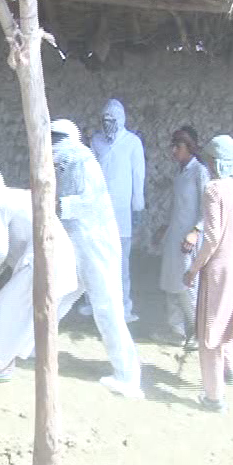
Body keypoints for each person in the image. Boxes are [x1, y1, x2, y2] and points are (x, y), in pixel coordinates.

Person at [51, 119, 143, 398]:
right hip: (79, 242)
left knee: (107, 309)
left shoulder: (81, 161)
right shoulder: (68, 162)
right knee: (57, 297)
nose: (52, 144)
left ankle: (127, 377)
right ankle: (31, 344)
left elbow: (88, 203)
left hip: (96, 243)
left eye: (55, 138)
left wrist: (56, 205)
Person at [0, 162, 80, 381]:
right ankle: (18, 357)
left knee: (3, 305)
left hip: (43, 260)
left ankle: (2, 366)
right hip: (60, 257)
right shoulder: (16, 195)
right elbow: (11, 246)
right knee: (30, 310)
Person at [183, 135, 233, 412]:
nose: (207, 164)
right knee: (228, 323)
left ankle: (213, 397)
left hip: (219, 270)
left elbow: (212, 237)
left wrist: (194, 268)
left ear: (216, 162)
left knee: (210, 334)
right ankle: (230, 371)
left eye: (209, 160)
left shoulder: (213, 190)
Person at [153, 125, 209, 349]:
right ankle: (176, 332)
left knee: (187, 286)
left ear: (189, 147)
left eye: (178, 146)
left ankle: (197, 332)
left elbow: (207, 208)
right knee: (170, 284)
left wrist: (196, 231)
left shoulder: (199, 172)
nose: (174, 150)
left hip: (189, 239)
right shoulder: (180, 173)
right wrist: (164, 227)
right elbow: (177, 206)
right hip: (174, 237)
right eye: (173, 146)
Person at [90, 99, 145, 323]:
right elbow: (91, 173)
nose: (108, 125)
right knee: (97, 260)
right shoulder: (96, 141)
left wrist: (138, 205)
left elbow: (138, 175)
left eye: (112, 121)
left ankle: (124, 308)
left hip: (122, 214)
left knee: (121, 262)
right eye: (105, 121)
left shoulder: (132, 143)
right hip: (99, 211)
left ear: (120, 120)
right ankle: (96, 304)